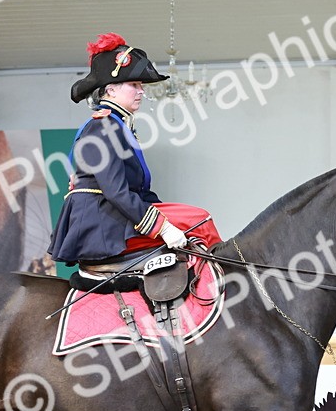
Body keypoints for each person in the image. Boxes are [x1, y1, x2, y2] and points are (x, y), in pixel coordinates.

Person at [49, 33, 216, 274]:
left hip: (111, 214)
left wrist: (162, 216)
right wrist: (163, 227)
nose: (141, 92)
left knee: (197, 219)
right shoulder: (104, 126)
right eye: (134, 85)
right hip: (102, 222)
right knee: (200, 221)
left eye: (141, 86)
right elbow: (115, 191)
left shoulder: (117, 124)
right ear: (110, 90)